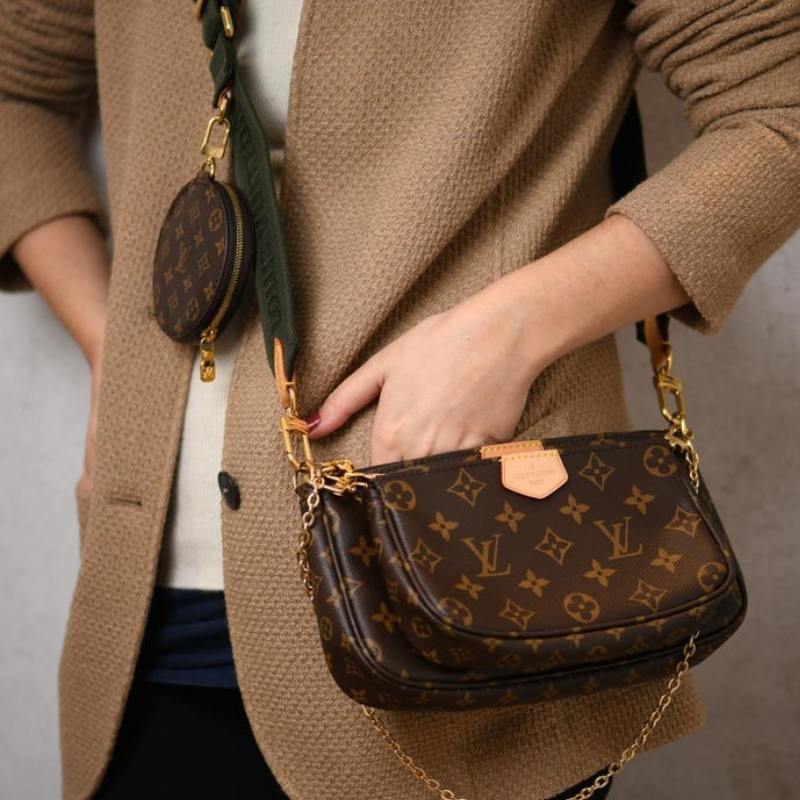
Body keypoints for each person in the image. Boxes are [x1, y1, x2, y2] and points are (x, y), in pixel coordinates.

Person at [1, 2, 799, 799]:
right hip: (141, 600)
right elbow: (14, 91)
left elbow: (779, 107)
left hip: (462, 577)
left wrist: (508, 334)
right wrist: (111, 349)